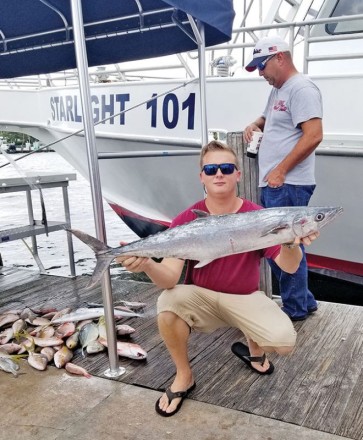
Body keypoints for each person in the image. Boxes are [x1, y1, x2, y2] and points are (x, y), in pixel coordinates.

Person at [117, 140, 319, 417]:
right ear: (201, 177)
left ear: (238, 174)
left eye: (226, 167)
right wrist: (148, 264)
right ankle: (184, 376)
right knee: (168, 303)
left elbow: (289, 267)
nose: (219, 174)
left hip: (246, 297)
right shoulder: (187, 219)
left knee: (284, 342)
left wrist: (290, 243)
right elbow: (169, 279)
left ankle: (253, 345)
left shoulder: (260, 216)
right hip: (203, 298)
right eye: (211, 169)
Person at [243, 35, 323, 321]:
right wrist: (255, 123)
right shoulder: (279, 89)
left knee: (285, 245)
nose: (261, 73)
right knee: (287, 245)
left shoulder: (301, 88)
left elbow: (314, 135)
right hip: (277, 183)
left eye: (262, 66)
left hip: (288, 184)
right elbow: (268, 118)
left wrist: (281, 170)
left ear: (280, 57)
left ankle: (294, 309)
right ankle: (304, 302)